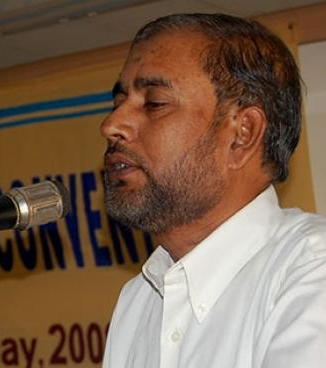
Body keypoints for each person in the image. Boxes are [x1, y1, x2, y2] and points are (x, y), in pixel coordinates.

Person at [101, 13, 326, 368]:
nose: (111, 125)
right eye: (117, 103)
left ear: (242, 133)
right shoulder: (139, 299)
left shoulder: (312, 270)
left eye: (155, 103)